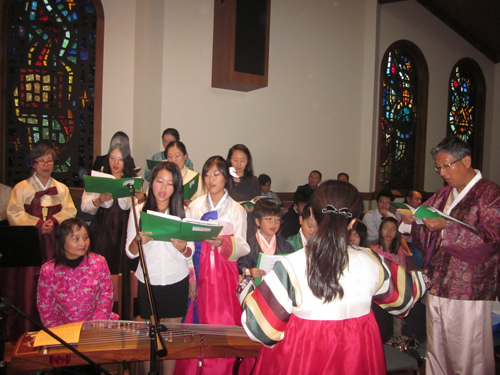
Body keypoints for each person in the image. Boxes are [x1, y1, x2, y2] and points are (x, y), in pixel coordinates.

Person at [241, 180, 427, 375]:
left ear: (312, 214)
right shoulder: (373, 261)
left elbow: (258, 328)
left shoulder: (291, 264)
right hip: (357, 359)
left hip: (305, 360)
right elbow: (405, 299)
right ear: (354, 221)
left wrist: (246, 289)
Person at [407, 136, 500, 375]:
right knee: (437, 348)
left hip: (468, 286)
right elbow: (426, 230)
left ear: (466, 160)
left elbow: (492, 240)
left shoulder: (489, 194)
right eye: (439, 167)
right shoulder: (443, 194)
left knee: (467, 351)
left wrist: (446, 228)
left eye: (447, 165)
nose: (442, 173)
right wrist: (416, 221)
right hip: (439, 281)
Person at [175, 156, 251, 375]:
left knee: (223, 320)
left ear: (226, 178)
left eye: (216, 174)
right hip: (199, 271)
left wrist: (224, 242)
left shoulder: (237, 210)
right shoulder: (196, 207)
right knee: (197, 322)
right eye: (207, 174)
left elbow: (244, 245)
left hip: (224, 273)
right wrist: (191, 277)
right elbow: (188, 244)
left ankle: (223, 368)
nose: (211, 179)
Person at [3, 144, 77, 341]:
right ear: (33, 164)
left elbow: (70, 211)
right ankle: (26, 330)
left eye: (49, 160)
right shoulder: (21, 188)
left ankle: (56, 331)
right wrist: (37, 223)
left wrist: (52, 221)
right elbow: (14, 212)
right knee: (29, 285)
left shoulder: (61, 189)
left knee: (55, 285)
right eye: (41, 161)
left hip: (54, 243)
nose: (46, 164)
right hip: (30, 243)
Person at [126, 161, 193, 375]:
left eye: (169, 184)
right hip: (149, 280)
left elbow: (190, 251)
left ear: (176, 188)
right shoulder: (138, 211)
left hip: (176, 280)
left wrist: (183, 248)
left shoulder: (183, 212)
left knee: (171, 335)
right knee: (150, 335)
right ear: (151, 183)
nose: (163, 188)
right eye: (159, 181)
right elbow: (130, 251)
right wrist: (138, 241)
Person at [81, 141, 143, 319]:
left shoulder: (132, 180)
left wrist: (141, 198)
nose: (116, 163)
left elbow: (139, 209)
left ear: (126, 161)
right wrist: (99, 200)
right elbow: (85, 207)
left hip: (125, 230)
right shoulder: (99, 178)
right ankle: (100, 313)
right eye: (112, 158)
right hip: (103, 232)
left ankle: (124, 314)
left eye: (120, 159)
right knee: (104, 270)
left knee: (125, 270)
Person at [37, 218, 118, 328]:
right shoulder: (48, 270)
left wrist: (95, 326)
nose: (83, 243)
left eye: (85, 237)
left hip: (97, 326)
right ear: (62, 241)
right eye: (76, 239)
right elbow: (45, 306)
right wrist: (57, 331)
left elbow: (106, 298)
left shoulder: (99, 262)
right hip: (62, 330)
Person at [238, 200, 294, 277]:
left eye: (277, 220)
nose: (273, 224)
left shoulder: (285, 244)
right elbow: (241, 268)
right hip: (254, 287)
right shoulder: (248, 244)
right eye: (269, 219)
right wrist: (249, 272)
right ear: (258, 222)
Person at [227, 144, 261, 238]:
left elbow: (258, 204)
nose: (238, 164)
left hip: (246, 223)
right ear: (230, 160)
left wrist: (253, 208)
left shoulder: (253, 180)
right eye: (235, 160)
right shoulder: (224, 180)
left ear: (247, 162)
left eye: (242, 160)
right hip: (228, 223)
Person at [165, 141, 205, 205]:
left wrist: (192, 205)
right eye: (170, 156)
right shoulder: (162, 176)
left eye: (177, 156)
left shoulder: (195, 178)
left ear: (185, 156)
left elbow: (204, 204)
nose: (173, 160)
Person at [397, 189, 423, 267]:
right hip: (404, 240)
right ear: (408, 199)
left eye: (420, 199)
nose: (419, 202)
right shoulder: (400, 212)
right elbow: (398, 233)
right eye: (416, 199)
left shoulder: (421, 213)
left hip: (418, 241)